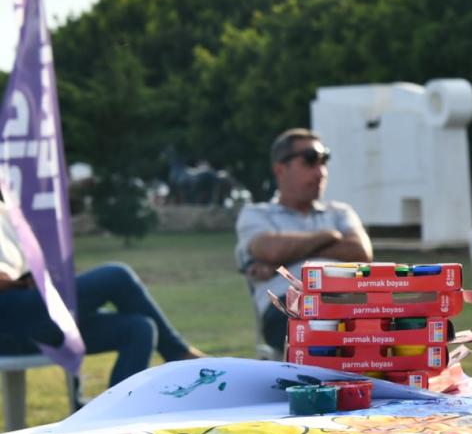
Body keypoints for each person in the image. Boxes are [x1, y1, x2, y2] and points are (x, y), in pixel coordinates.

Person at [0, 196, 204, 388]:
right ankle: (179, 354)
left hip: (36, 314)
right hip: (8, 321)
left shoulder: (7, 212)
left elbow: (29, 268)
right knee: (116, 275)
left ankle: (117, 418)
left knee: (140, 328)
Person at [235, 128, 372, 353]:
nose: (321, 173)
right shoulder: (256, 214)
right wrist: (328, 236)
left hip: (350, 301)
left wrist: (288, 256)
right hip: (289, 305)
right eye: (310, 162)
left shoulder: (339, 212)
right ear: (280, 169)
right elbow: (271, 250)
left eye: (323, 162)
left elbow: (360, 251)